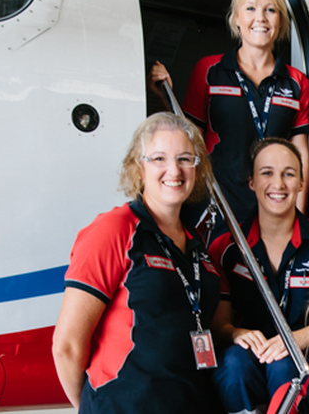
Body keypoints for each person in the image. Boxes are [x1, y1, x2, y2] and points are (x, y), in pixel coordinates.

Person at [53, 112, 224, 413]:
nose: (174, 169)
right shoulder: (115, 229)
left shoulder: (198, 244)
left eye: (185, 158)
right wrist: (95, 407)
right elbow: (67, 346)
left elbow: (213, 325)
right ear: (139, 167)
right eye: (159, 158)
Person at [211, 138, 309, 414]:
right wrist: (236, 333)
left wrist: (300, 338)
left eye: (289, 174)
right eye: (267, 173)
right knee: (233, 361)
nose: (279, 184)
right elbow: (218, 323)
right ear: (252, 182)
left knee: (285, 363)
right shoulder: (226, 247)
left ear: (301, 183)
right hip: (250, 361)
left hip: (307, 357)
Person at [149, 0, 309, 225]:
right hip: (216, 204)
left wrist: (298, 219)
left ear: (280, 21)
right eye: (250, 9)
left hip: (273, 207)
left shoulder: (296, 82)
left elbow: (300, 155)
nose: (260, 18)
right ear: (236, 18)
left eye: (270, 10)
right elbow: (188, 141)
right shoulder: (208, 70)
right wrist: (165, 98)